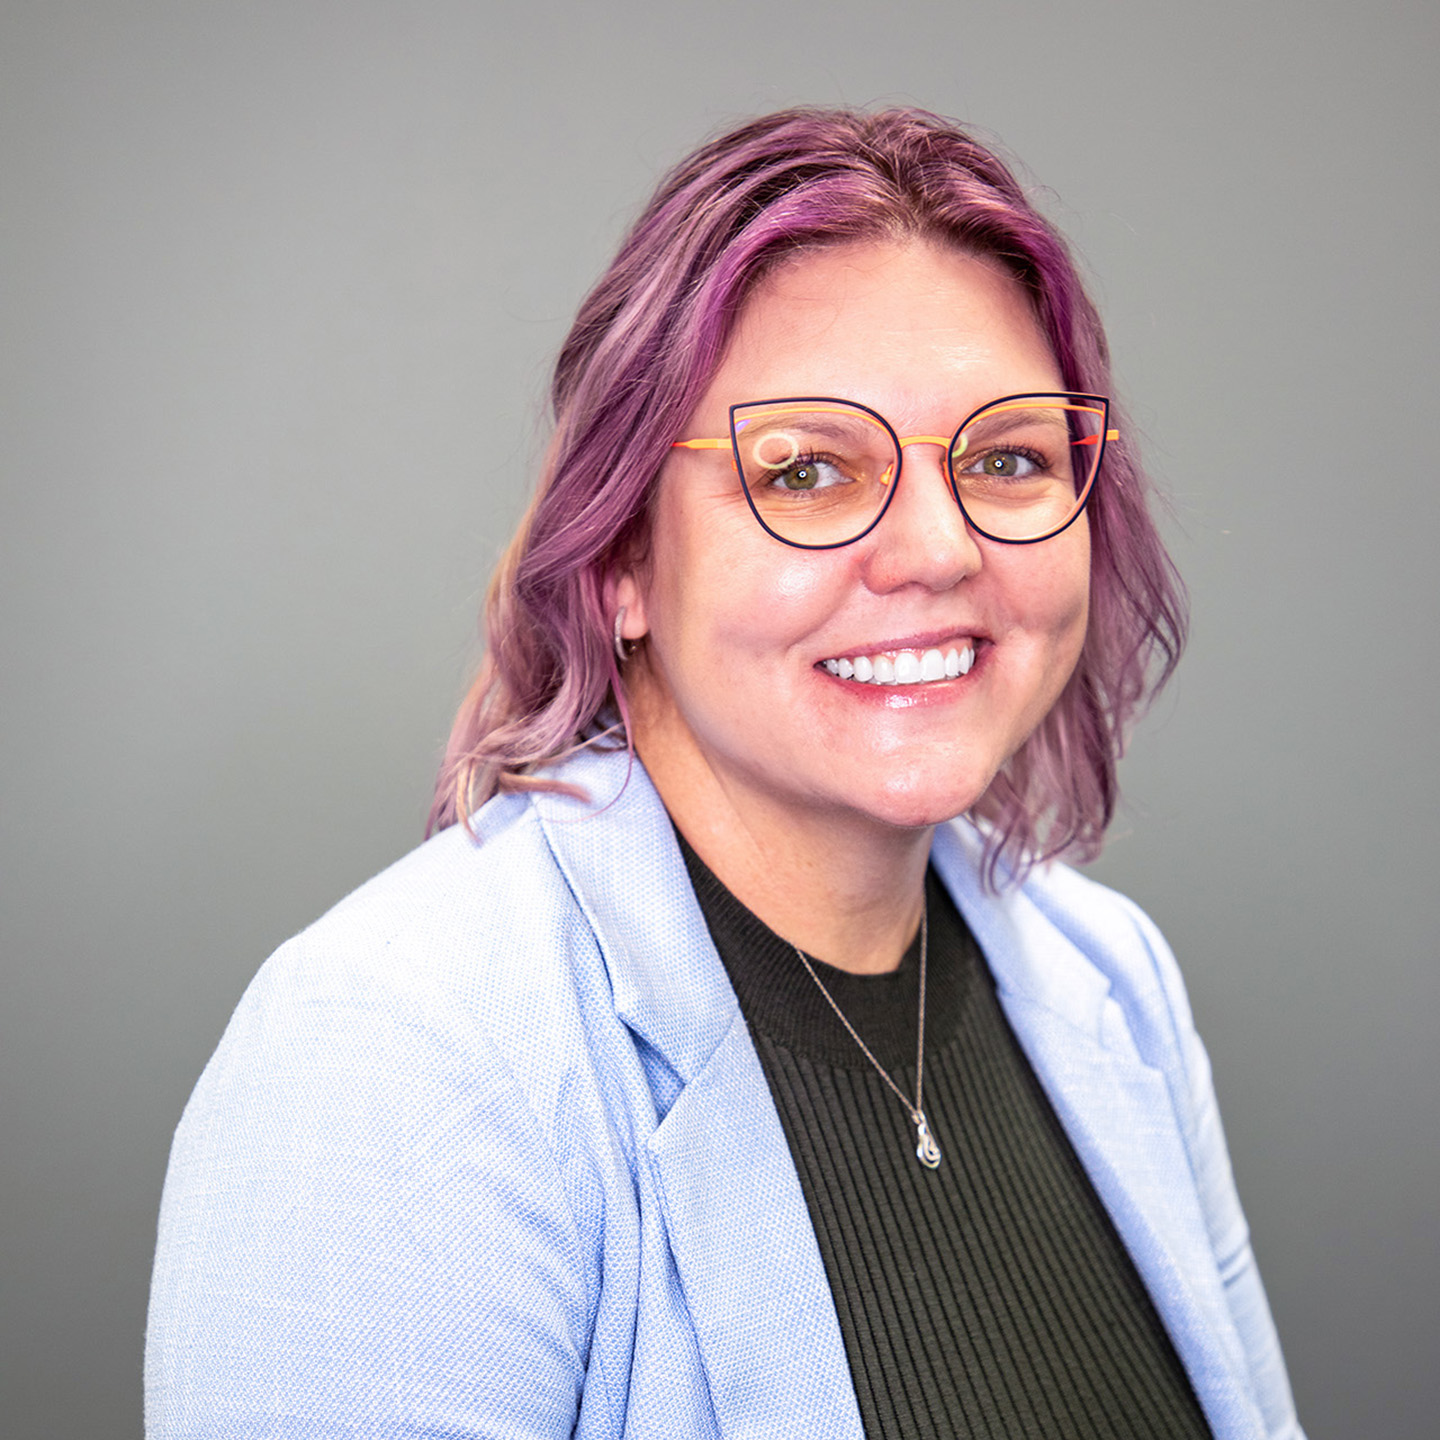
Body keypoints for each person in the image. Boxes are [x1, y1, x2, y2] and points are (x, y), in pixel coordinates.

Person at [146, 107, 1304, 1439]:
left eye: (1006, 457)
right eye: (807, 469)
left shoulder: (1118, 989)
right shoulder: (391, 1060)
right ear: (621, 559)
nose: (937, 549)